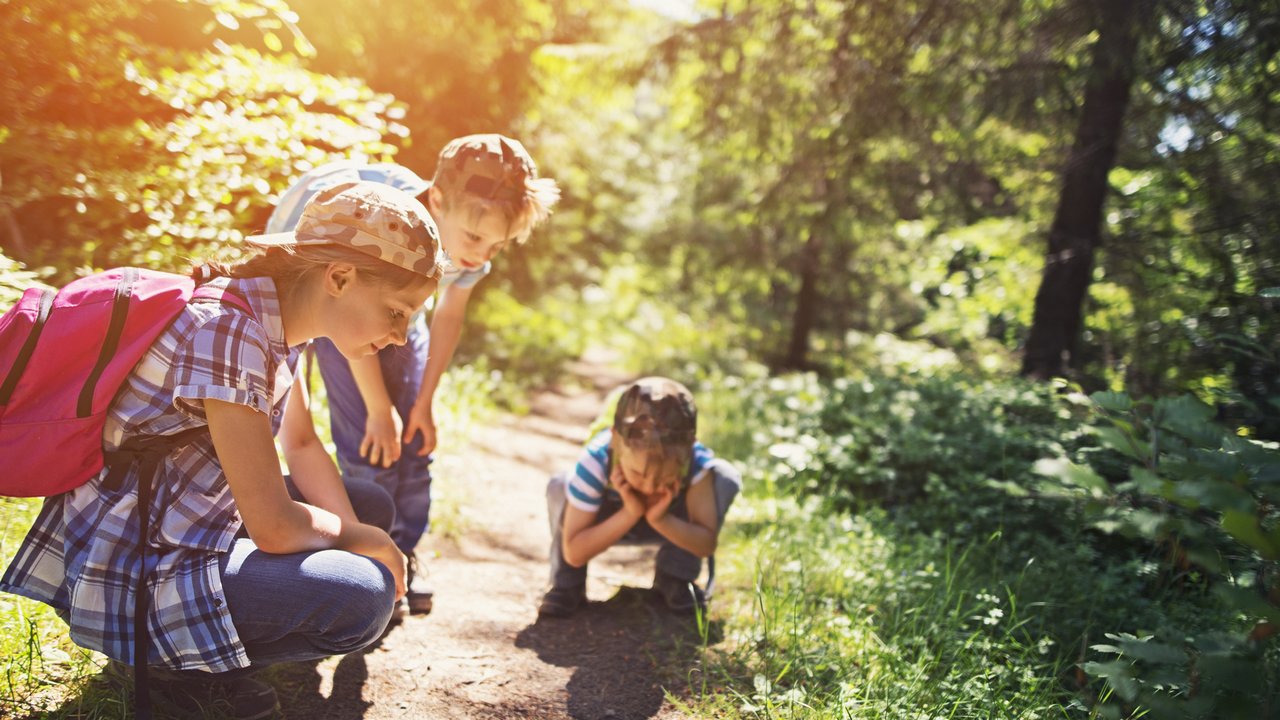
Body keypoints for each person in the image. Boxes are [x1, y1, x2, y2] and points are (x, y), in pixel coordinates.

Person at [0, 181, 442, 719]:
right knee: (360, 595)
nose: (399, 337)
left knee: (368, 503)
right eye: (396, 312)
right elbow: (274, 526)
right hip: (136, 565)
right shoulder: (229, 334)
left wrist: (357, 531)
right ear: (340, 278)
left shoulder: (275, 326)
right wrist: (357, 540)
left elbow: (300, 444)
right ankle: (168, 669)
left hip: (180, 525)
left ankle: (206, 652)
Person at [265, 135, 559, 617]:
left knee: (413, 439)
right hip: (324, 296)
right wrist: (379, 411)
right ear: (437, 202)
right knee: (369, 433)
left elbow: (446, 315)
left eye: (497, 246)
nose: (482, 256)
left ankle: (401, 550)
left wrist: (422, 403)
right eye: (474, 239)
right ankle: (366, 558)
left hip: (395, 301)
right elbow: (349, 316)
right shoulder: (385, 228)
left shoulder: (467, 245)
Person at [539, 377, 742, 618]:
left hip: (670, 524)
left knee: (724, 476)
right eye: (637, 473)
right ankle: (567, 585)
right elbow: (575, 552)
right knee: (560, 485)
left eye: (665, 477)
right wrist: (630, 512)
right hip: (606, 523)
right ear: (615, 440)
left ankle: (675, 576)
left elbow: (706, 544)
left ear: (689, 449)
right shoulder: (596, 461)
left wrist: (661, 519)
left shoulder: (696, 463)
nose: (648, 487)